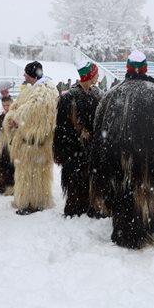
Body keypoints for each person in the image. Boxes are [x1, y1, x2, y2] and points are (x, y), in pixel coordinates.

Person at [91, 51, 154, 249]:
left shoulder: (110, 96)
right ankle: (149, 223)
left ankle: (123, 229)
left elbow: (98, 135)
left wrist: (102, 166)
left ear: (127, 68)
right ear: (145, 69)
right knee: (148, 193)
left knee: (123, 195)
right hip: (150, 164)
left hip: (118, 163)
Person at [3, 61, 58, 215]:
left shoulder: (44, 91)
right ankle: (32, 200)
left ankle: (32, 203)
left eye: (25, 73)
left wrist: (15, 118)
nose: (23, 76)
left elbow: (33, 111)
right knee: (31, 174)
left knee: (32, 175)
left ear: (31, 74)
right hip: (31, 143)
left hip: (34, 143)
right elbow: (18, 106)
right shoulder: (35, 89)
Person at [53, 61, 104, 217]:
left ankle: (92, 205)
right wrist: (78, 135)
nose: (98, 76)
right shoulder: (69, 97)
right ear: (89, 75)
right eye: (95, 73)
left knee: (92, 178)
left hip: (92, 148)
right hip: (74, 149)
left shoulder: (98, 94)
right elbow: (61, 127)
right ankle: (75, 207)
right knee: (75, 180)